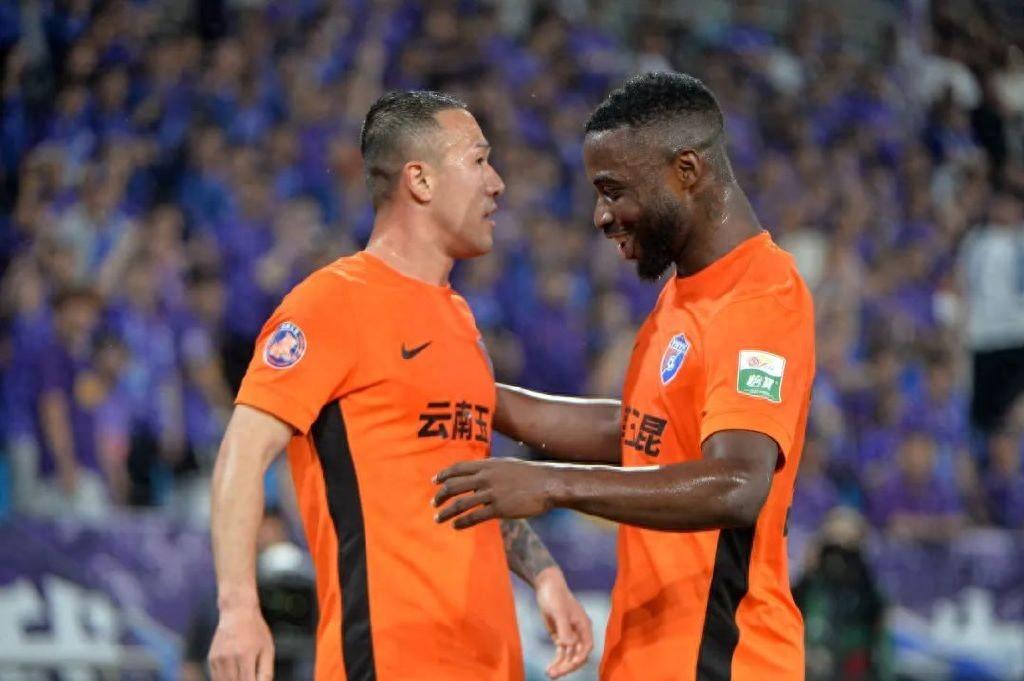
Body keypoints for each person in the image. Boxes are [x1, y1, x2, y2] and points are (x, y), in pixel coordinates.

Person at [433, 72, 816, 680]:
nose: (601, 216)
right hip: (655, 656)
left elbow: (739, 485)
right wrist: (475, 394)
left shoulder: (758, 298)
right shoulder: (688, 294)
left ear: (686, 171)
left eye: (613, 190)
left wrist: (554, 484)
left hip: (721, 660)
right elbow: (641, 433)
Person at [207, 91, 592, 681]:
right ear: (420, 180)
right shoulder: (331, 303)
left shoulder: (459, 319)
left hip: (490, 660)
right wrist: (238, 608)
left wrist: (545, 575)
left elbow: (462, 480)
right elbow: (242, 452)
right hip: (388, 659)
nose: (497, 183)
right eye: (478, 160)